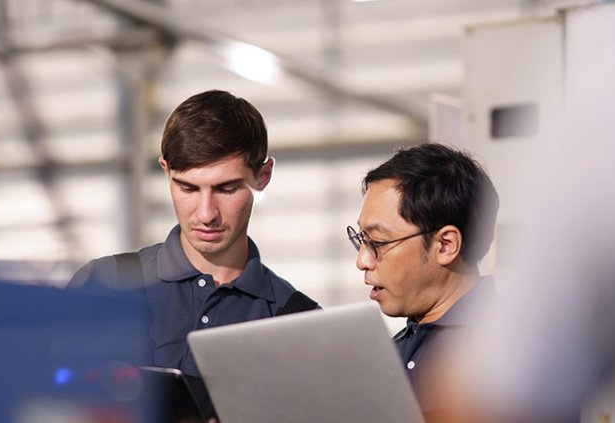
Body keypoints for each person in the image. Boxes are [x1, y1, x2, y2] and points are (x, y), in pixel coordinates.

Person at [68, 90, 319, 378]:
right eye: (188, 188)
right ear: (166, 171)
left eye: (226, 189)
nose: (206, 214)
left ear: (263, 176)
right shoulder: (104, 285)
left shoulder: (299, 323)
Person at [346, 142, 499, 416]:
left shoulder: (509, 354)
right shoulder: (387, 359)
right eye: (361, 240)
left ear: (445, 245)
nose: (362, 261)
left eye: (378, 242)